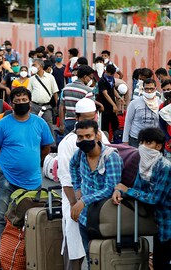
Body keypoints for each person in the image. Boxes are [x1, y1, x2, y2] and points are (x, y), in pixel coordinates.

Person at [0, 86, 53, 269]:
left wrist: (34, 161)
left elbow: (46, 148)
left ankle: (28, 255)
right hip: (7, 179)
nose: (21, 103)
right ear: (11, 103)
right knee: (0, 217)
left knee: (30, 219)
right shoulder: (3, 124)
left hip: (32, 181)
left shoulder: (39, 123)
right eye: (17, 100)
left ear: (30, 102)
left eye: (24, 100)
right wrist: (6, 165)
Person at [58, 98, 110, 270]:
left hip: (100, 199)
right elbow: (67, 179)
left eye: (92, 117)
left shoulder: (102, 137)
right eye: (85, 118)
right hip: (75, 197)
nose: (89, 121)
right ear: (77, 117)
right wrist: (75, 205)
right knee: (75, 246)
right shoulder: (68, 143)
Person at [112, 128, 171, 270]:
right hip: (159, 225)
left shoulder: (165, 167)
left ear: (159, 146)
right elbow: (138, 189)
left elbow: (155, 199)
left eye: (148, 142)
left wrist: (127, 190)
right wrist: (120, 190)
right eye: (142, 142)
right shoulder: (144, 165)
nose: (143, 146)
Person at [70, 120, 123, 269]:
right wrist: (77, 188)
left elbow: (110, 188)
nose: (84, 140)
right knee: (91, 258)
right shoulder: (80, 153)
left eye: (88, 136)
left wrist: (83, 200)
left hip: (104, 218)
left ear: (98, 136)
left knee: (104, 258)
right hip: (85, 218)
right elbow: (72, 166)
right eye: (80, 137)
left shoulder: (110, 157)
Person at [123, 78, 161, 147]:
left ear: (155, 89)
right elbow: (128, 122)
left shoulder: (160, 103)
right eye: (147, 89)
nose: (149, 91)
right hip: (136, 139)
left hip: (153, 140)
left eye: (151, 89)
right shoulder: (134, 103)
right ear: (143, 89)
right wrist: (125, 140)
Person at [59, 65, 95, 135]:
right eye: (90, 78)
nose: (90, 80)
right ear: (85, 77)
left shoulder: (66, 88)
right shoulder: (87, 91)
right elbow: (91, 111)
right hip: (82, 124)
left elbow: (61, 107)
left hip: (67, 122)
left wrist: (62, 124)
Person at [27, 58, 59, 136]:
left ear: (40, 66)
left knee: (48, 126)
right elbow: (28, 93)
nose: (32, 67)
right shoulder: (31, 79)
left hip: (47, 106)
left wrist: (56, 107)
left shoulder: (50, 77)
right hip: (34, 106)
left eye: (34, 65)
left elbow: (55, 93)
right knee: (33, 125)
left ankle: (52, 145)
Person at [97, 64, 123, 138]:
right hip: (105, 107)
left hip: (112, 106)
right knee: (105, 127)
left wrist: (118, 97)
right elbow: (105, 94)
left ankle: (117, 139)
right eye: (110, 73)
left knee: (115, 124)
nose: (111, 75)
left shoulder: (112, 79)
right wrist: (114, 105)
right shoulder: (102, 81)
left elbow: (113, 89)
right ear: (106, 71)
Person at [159, 80, 171, 161]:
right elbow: (162, 126)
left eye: (169, 89)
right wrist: (169, 140)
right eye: (164, 90)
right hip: (169, 146)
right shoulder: (162, 106)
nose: (167, 92)